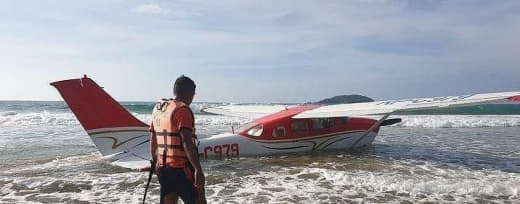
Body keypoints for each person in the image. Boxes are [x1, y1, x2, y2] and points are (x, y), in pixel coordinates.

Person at [149, 75, 206, 204]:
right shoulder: (182, 110)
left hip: (163, 169)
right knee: (199, 200)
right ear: (189, 93)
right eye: (193, 94)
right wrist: (197, 169)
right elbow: (186, 141)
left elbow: (153, 139)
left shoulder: (158, 109)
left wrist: (154, 163)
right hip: (181, 169)